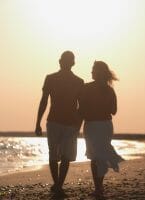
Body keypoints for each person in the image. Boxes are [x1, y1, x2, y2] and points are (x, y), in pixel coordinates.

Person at [35, 51, 84, 197]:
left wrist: (37, 122)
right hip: (60, 122)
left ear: (61, 61)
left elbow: (81, 107)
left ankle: (58, 184)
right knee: (62, 156)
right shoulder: (53, 79)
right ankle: (58, 184)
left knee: (60, 155)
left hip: (63, 122)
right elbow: (44, 100)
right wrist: (38, 122)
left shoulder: (77, 82)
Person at [79, 61, 124, 197]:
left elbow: (81, 109)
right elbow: (114, 111)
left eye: (93, 70)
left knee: (95, 156)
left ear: (98, 72)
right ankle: (99, 187)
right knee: (100, 155)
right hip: (105, 125)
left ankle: (98, 188)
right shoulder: (109, 90)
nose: (91, 72)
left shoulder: (86, 88)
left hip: (92, 125)